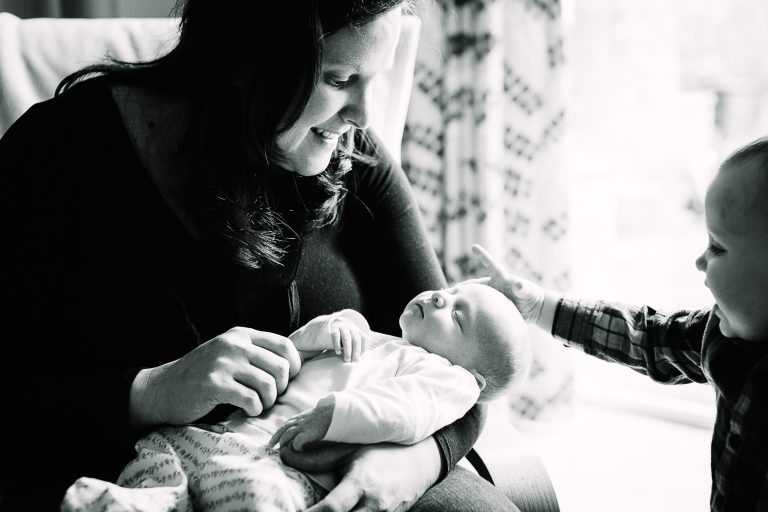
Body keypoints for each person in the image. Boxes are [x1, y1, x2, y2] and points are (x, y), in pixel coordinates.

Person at [0, 1, 519, 510]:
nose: (363, 115)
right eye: (339, 79)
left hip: (336, 481)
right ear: (247, 56)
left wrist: (418, 461)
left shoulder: (356, 160)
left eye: (373, 79)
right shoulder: (56, 155)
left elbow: (468, 368)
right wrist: (151, 392)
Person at [469, 136, 768, 512]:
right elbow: (645, 337)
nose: (700, 261)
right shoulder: (719, 336)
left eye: (717, 247)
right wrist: (540, 306)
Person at [61, 283, 531, 511]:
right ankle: (141, 501)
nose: (440, 298)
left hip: (287, 463)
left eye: (459, 317)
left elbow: (405, 410)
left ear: (473, 377)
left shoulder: (446, 379)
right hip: (227, 431)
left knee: (256, 495)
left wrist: (337, 414)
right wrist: (323, 331)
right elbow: (290, 353)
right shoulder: (369, 336)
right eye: (449, 291)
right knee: (166, 454)